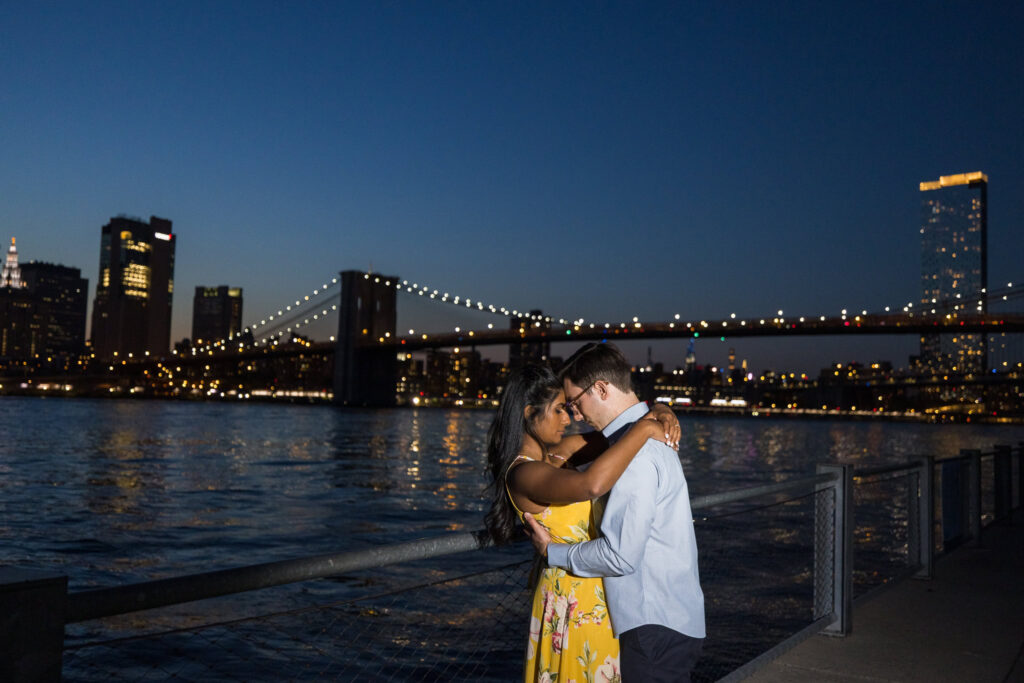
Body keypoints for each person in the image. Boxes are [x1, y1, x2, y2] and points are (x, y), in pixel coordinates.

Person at [485, 363, 681, 683]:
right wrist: (646, 430)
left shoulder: (558, 457)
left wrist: (660, 408)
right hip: (569, 602)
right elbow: (592, 484)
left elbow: (619, 432)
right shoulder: (523, 474)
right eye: (560, 410)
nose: (569, 419)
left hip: (596, 593)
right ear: (528, 413)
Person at [523, 342, 705, 682]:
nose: (576, 415)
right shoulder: (641, 437)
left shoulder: (634, 452)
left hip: (652, 625)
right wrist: (660, 408)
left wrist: (552, 552)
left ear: (601, 389)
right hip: (673, 615)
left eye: (576, 402)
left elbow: (620, 556)